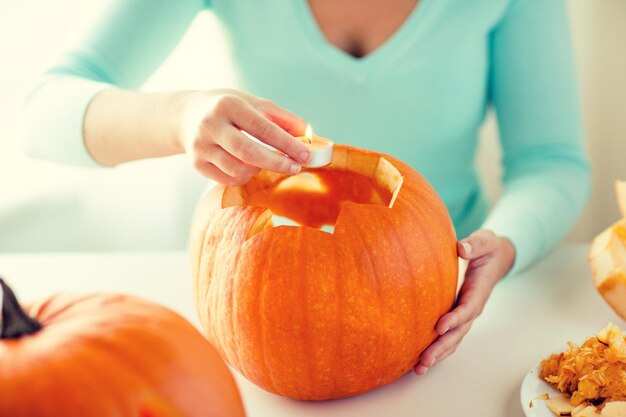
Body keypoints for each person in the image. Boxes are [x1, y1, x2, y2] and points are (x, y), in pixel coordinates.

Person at [23, 0, 590, 376]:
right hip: (255, 287)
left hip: (441, 292)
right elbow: (41, 112)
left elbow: (551, 161)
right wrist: (180, 116)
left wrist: (506, 241)